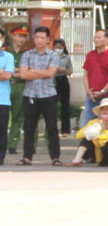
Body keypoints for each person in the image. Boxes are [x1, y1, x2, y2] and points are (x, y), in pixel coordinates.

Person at [17, 25, 63, 166]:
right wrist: (39, 72)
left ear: (48, 39)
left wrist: (32, 71)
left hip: (48, 95)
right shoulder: (27, 55)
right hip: (30, 94)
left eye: (42, 38)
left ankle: (55, 157)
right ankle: (27, 156)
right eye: (37, 37)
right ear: (34, 38)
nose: (39, 40)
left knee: (52, 127)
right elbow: (23, 74)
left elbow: (50, 73)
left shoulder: (53, 55)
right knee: (29, 127)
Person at [67, 97, 108, 167]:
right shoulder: (94, 122)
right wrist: (93, 129)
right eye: (103, 109)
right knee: (89, 136)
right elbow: (78, 135)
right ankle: (77, 160)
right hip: (97, 154)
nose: (105, 111)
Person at [81, 28, 108, 128]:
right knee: (88, 125)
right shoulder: (90, 55)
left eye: (99, 37)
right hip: (91, 97)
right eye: (95, 37)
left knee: (106, 127)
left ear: (107, 39)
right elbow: (85, 74)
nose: (96, 39)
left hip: (107, 97)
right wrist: (87, 90)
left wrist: (103, 91)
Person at [7, 26, 28, 155]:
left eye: (24, 36)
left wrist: (13, 71)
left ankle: (12, 144)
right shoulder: (6, 52)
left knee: (17, 116)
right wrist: (17, 71)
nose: (22, 39)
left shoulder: (26, 54)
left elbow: (27, 71)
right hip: (5, 85)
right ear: (12, 36)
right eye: (19, 36)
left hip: (20, 86)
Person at [53, 38, 74, 136]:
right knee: (52, 106)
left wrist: (65, 70)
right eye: (56, 47)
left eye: (60, 47)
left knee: (65, 106)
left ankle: (65, 130)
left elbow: (70, 71)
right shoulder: (51, 56)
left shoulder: (67, 57)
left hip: (63, 80)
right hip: (53, 81)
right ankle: (52, 129)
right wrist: (56, 70)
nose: (58, 49)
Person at [0, 28, 12, 167]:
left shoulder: (8, 57)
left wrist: (4, 73)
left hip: (2, 99)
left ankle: (1, 156)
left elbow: (7, 75)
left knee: (2, 130)